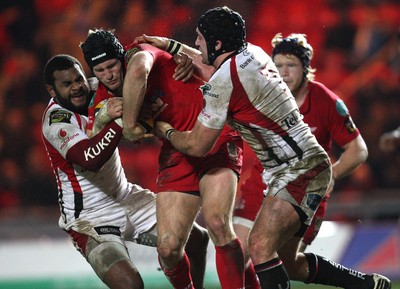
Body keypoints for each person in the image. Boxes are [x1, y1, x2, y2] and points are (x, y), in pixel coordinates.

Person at [148, 6, 392, 289]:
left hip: (297, 169)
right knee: (291, 264)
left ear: (216, 44)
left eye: (200, 38)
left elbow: (197, 144)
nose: (197, 43)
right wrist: (170, 45)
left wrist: (163, 128)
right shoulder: (254, 52)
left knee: (260, 246)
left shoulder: (222, 84)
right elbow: (215, 67)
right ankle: (366, 284)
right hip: (303, 164)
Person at [80, 29, 245, 289]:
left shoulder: (139, 53)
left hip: (215, 139)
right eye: (99, 70)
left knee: (217, 224)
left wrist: (131, 124)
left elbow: (137, 70)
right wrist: (102, 119)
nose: (109, 74)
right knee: (168, 249)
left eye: (111, 65)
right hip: (177, 151)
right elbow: (89, 149)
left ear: (121, 57)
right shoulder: (102, 98)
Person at [41, 54, 209, 289]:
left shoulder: (95, 88)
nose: (77, 87)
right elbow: (89, 159)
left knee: (198, 240)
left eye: (79, 79)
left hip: (127, 197)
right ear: (52, 90)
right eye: (66, 84)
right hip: (90, 218)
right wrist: (120, 121)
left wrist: (181, 60)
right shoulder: (56, 121)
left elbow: (141, 72)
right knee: (130, 285)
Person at [233, 32, 369, 288]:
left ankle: (359, 282)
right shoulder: (264, 94)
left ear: (305, 68)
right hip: (261, 183)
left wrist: (332, 175)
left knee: (288, 264)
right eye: (278, 66)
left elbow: (358, 149)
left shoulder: (326, 100)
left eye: (291, 65)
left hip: (304, 190)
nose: (283, 73)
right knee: (239, 253)